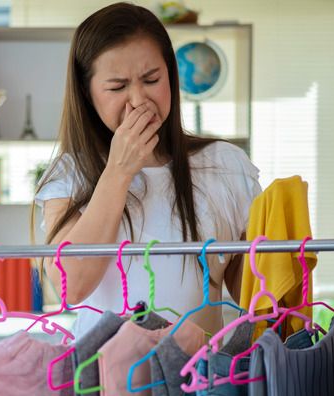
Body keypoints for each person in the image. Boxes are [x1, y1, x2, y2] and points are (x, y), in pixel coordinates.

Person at [32, 2, 261, 339]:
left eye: (152, 79)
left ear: (171, 74)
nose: (139, 100)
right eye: (117, 87)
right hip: (102, 378)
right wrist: (118, 172)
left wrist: (283, 258)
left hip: (197, 381)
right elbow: (71, 286)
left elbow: (256, 295)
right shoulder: (70, 173)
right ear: (87, 92)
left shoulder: (225, 164)